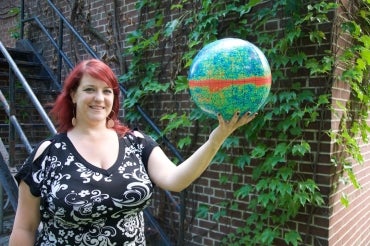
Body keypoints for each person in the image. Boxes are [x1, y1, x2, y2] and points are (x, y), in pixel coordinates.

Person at [9, 59, 256, 245]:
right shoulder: (48, 154)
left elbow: (176, 179)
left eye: (107, 91)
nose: (99, 98)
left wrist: (216, 138)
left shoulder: (136, 143)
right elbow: (24, 228)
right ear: (73, 95)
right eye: (89, 89)